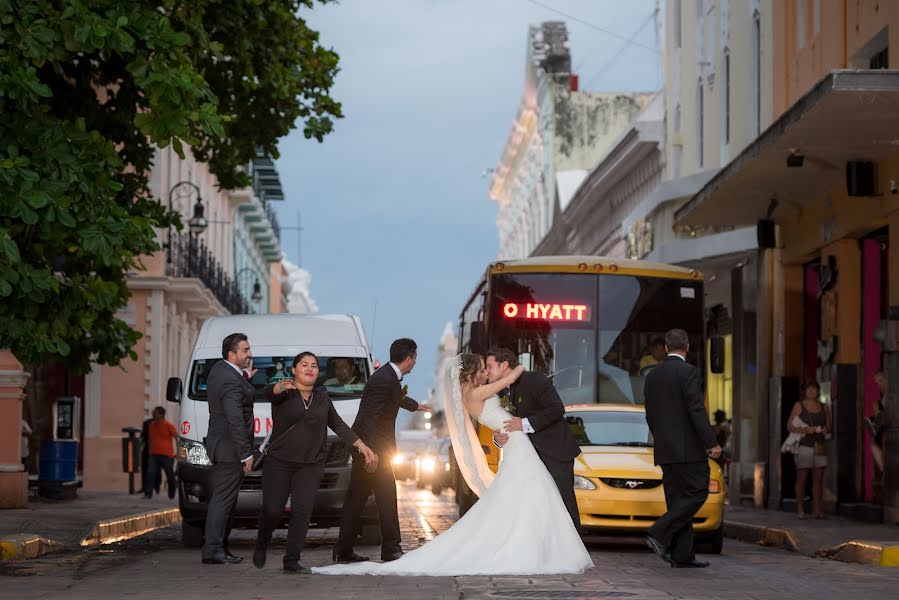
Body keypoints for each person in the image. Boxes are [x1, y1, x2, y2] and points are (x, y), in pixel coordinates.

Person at [314, 353, 592, 576]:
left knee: (530, 500)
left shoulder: (475, 394)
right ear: (472, 374)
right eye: (485, 367)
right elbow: (506, 390)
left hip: (519, 445)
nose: (487, 371)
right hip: (518, 448)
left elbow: (507, 416)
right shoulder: (477, 393)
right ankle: (541, 548)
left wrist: (501, 431)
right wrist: (517, 367)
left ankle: (544, 546)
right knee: (528, 499)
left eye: (490, 366)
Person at [254, 352, 377, 574]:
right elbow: (269, 393)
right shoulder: (285, 394)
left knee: (302, 511)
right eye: (304, 365)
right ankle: (262, 541)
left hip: (310, 464)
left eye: (314, 365)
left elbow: (338, 425)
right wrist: (278, 388)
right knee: (272, 510)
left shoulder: (322, 398)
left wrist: (362, 446)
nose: (310, 368)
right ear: (294, 370)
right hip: (279, 462)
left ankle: (291, 560)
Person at [332, 338, 431, 563]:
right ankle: (391, 549)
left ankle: (343, 550)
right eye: (415, 359)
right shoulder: (385, 379)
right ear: (409, 359)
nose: (415, 363)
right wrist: (371, 452)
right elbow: (370, 419)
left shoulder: (387, 377)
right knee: (386, 497)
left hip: (369, 447)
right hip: (374, 449)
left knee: (356, 499)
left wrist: (416, 406)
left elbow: (395, 398)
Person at [643, 329, 722, 569]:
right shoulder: (689, 372)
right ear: (686, 347)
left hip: (666, 450)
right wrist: (712, 442)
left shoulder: (652, 376)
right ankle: (658, 532)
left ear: (666, 347)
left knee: (678, 500)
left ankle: (682, 555)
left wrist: (663, 439)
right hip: (689, 450)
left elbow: (650, 415)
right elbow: (696, 410)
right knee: (698, 492)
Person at [488, 346, 583, 529]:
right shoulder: (501, 391)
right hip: (529, 457)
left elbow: (557, 409)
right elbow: (504, 421)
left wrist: (524, 423)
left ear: (504, 365)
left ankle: (575, 550)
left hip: (555, 452)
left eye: (490, 366)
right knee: (539, 505)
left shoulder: (534, 380)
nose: (487, 371)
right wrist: (497, 438)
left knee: (563, 503)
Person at [201, 333, 256, 565]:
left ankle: (220, 546)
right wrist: (245, 453)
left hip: (222, 445)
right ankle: (213, 549)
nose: (249, 353)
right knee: (222, 501)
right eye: (244, 350)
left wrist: (245, 378)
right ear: (231, 354)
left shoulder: (221, 372)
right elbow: (235, 418)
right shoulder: (230, 380)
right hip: (229, 449)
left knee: (227, 501)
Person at [787, 380, 832, 520]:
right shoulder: (799, 406)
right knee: (802, 477)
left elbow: (830, 426)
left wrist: (825, 430)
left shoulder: (824, 407)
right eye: (809, 389)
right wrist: (806, 429)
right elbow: (789, 426)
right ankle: (800, 509)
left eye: (814, 389)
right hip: (804, 446)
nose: (812, 391)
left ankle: (817, 510)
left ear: (818, 391)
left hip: (820, 446)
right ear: (805, 391)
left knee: (818, 478)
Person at [144, 406, 177, 499]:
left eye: (155, 413)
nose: (153, 414)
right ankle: (148, 493)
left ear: (161, 415)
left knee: (170, 475)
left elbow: (177, 438)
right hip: (154, 455)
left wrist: (177, 453)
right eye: (153, 413)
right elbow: (151, 440)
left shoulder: (168, 425)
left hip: (167, 455)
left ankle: (171, 493)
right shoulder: (151, 426)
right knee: (150, 473)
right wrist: (150, 451)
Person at [865, 370, 886, 474]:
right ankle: (884, 469)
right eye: (877, 383)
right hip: (883, 432)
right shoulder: (877, 403)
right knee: (874, 442)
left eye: (881, 381)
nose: (879, 385)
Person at [139, 415, 161, 496]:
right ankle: (152, 487)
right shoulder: (149, 423)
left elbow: (143, 437)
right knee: (149, 469)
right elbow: (143, 436)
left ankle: (149, 487)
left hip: (153, 448)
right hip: (150, 448)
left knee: (149, 468)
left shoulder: (149, 423)